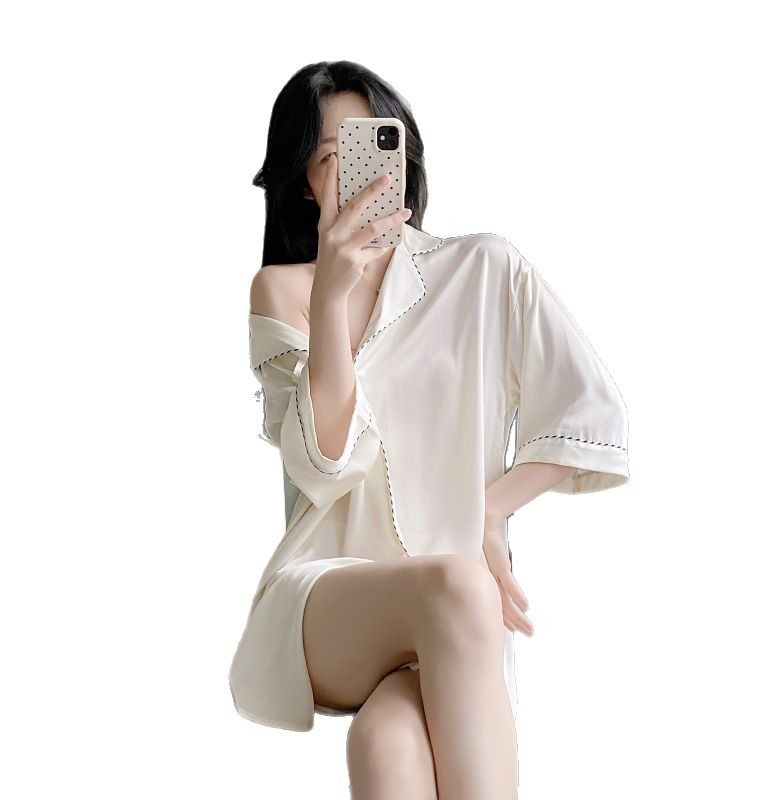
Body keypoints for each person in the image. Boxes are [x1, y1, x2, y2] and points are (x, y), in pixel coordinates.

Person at [229, 60, 630, 800]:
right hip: (327, 595)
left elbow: (592, 412)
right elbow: (323, 466)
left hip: (451, 621)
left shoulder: (482, 268)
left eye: (371, 145)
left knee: (388, 740)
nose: (356, 172)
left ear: (403, 156)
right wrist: (332, 300)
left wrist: (490, 509)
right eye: (331, 156)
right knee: (459, 583)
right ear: (305, 182)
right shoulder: (283, 290)